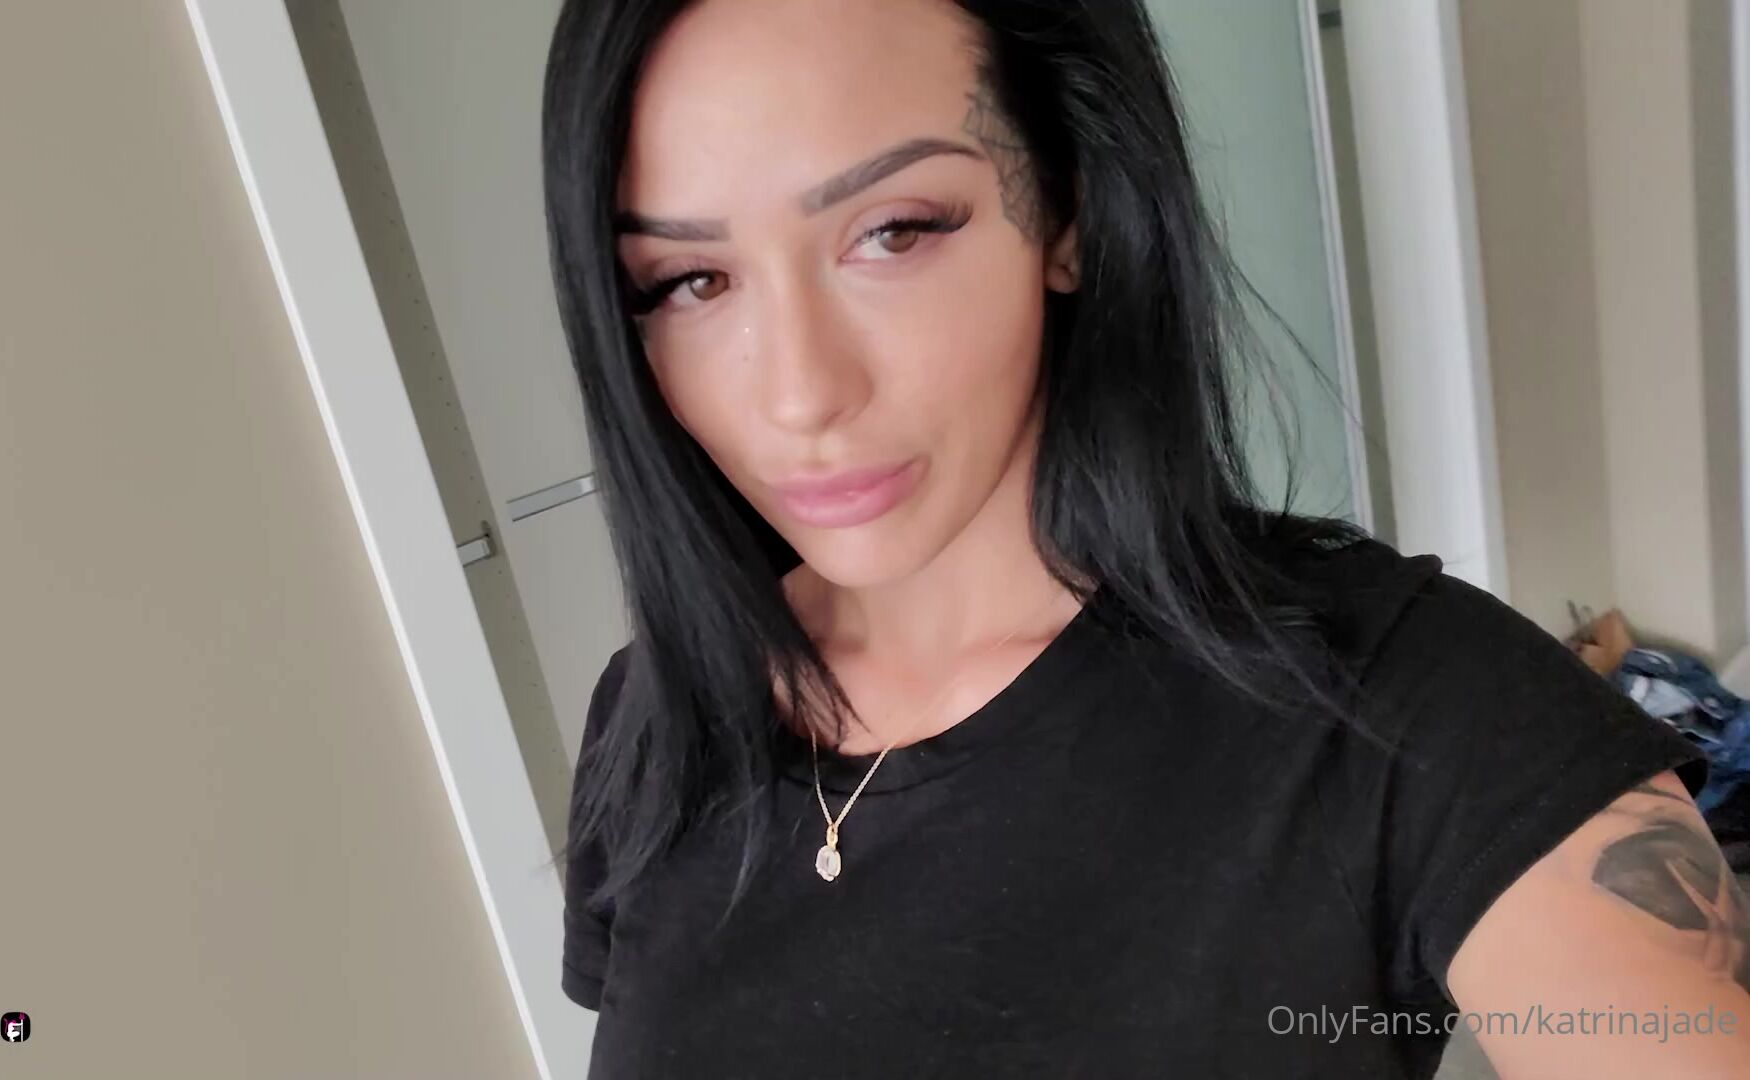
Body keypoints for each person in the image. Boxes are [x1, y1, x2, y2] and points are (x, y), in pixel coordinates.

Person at [538, 1, 1747, 1076]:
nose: (799, 393)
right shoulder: (653, 717)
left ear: (1065, 210)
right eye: (687, 282)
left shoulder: (1416, 707)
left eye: (894, 230)